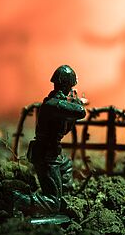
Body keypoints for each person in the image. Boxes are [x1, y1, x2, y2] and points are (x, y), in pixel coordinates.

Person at [12, 65, 87, 214]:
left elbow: (67, 125)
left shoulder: (58, 104)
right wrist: (77, 102)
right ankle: (16, 200)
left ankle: (59, 195)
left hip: (52, 153)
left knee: (66, 166)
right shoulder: (54, 104)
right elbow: (80, 112)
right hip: (45, 155)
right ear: (66, 85)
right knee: (53, 203)